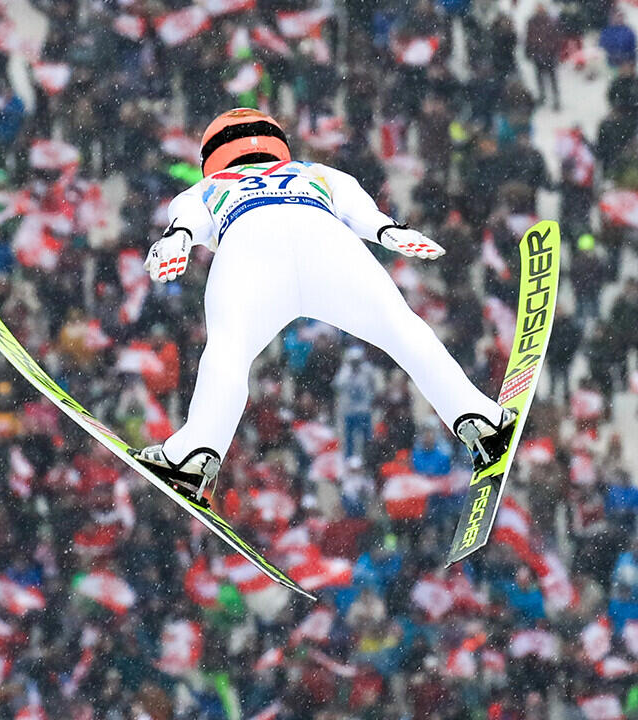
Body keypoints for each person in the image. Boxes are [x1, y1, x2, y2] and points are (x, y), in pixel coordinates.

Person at [136, 108, 516, 499]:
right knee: (401, 329)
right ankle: (479, 418)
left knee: (228, 352)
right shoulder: (312, 170)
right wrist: (387, 230)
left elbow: (188, 218)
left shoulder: (207, 186)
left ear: (210, 156)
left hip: (249, 243)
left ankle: (196, 453)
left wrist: (176, 237)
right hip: (325, 238)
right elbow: (358, 209)